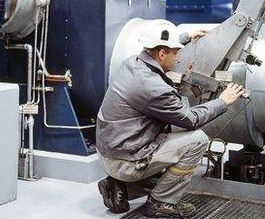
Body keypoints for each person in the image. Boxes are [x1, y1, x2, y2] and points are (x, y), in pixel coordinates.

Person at [96, 20, 244, 218]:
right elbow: (190, 119)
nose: (177, 58)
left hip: (110, 152)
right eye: (175, 52)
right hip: (124, 160)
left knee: (172, 133)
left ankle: (120, 186)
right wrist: (223, 101)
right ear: (162, 54)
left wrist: (185, 38)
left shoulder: (132, 63)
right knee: (197, 139)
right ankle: (159, 203)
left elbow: (160, 49)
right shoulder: (152, 88)